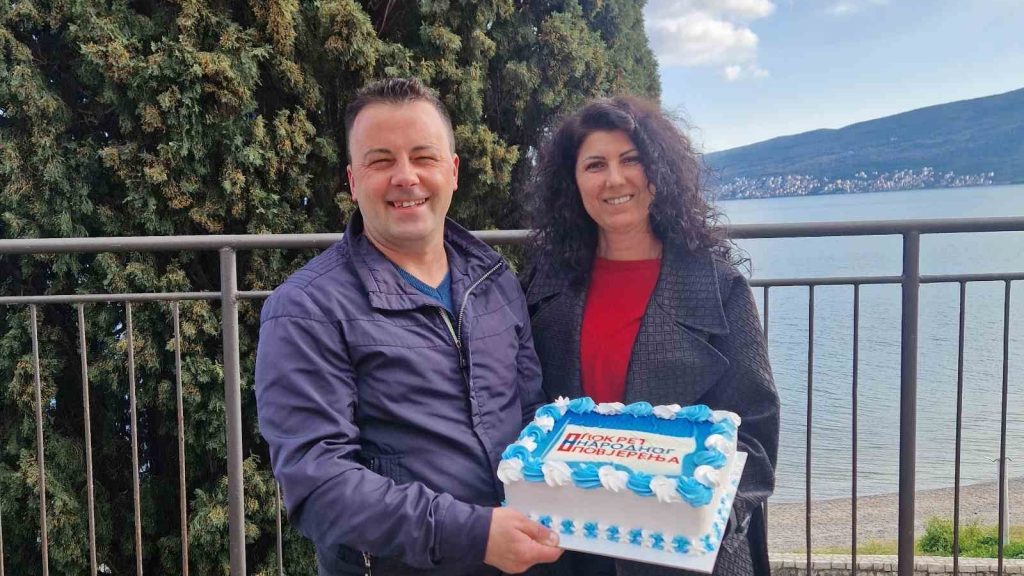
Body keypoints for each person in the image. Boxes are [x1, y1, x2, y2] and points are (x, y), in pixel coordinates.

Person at [255, 77, 563, 576]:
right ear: (353, 181)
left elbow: (534, 417)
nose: (406, 177)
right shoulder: (306, 309)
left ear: (453, 171)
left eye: (424, 157)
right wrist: (474, 535)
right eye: (380, 161)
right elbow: (320, 485)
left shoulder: (496, 281)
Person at [522, 95, 780, 576]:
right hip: (570, 550)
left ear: (658, 171)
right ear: (572, 182)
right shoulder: (544, 282)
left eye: (631, 159)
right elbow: (526, 406)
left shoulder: (719, 286)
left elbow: (756, 430)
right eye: (595, 165)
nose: (614, 179)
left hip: (688, 557)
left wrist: (703, 518)